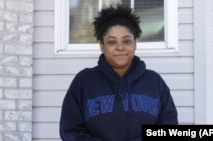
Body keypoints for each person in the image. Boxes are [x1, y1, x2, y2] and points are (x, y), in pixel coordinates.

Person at [59, 4, 178, 141]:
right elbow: (71, 131)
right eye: (111, 42)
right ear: (102, 46)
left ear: (135, 44)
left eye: (127, 41)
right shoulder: (84, 81)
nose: (120, 47)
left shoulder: (154, 82)